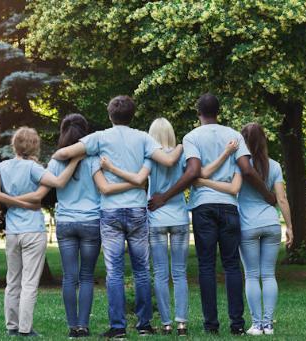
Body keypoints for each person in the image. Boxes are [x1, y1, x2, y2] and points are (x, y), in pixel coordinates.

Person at [52, 96, 183, 338]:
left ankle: (118, 327)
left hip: (110, 211)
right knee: (142, 269)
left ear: (110, 115)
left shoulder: (100, 138)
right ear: (132, 115)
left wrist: (82, 154)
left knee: (114, 271)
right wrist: (181, 147)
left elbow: (62, 154)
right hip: (136, 210)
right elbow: (166, 159)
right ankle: (144, 325)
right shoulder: (144, 137)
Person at [148, 93, 277, 335]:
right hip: (229, 206)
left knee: (206, 266)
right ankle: (237, 324)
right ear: (219, 111)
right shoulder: (234, 135)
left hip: (202, 207)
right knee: (231, 265)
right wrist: (268, 195)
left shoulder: (191, 137)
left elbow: (193, 171)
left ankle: (211, 325)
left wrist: (164, 196)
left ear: (199, 113)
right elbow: (247, 170)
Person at [100, 117, 239, 336]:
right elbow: (197, 175)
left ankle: (165, 323)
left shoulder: (148, 155)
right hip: (179, 218)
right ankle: (182, 324)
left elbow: (140, 180)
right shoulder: (183, 153)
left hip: (156, 218)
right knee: (180, 273)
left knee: (161, 274)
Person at [16, 114, 139, 338]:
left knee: (69, 277)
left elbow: (46, 189)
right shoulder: (93, 159)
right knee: (86, 276)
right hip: (91, 222)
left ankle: (72, 327)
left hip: (65, 223)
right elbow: (104, 187)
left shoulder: (55, 162)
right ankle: (83, 326)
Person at [201, 123, 293, 335]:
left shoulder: (238, 164)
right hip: (271, 223)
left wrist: (204, 182)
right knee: (269, 275)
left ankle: (257, 324)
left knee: (252, 275)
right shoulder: (275, 166)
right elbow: (282, 199)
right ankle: (269, 325)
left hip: (248, 225)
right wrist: (290, 227)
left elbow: (232, 189)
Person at [0, 127, 82, 337]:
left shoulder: (3, 167)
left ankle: (11, 326)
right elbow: (59, 182)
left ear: (14, 145)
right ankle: (24, 329)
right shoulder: (33, 168)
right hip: (32, 230)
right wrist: (75, 161)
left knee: (12, 280)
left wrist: (13, 202)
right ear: (34, 146)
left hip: (12, 231)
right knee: (29, 282)